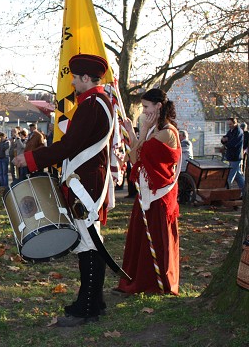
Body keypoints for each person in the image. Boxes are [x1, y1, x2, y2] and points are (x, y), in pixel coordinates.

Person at [13, 54, 114, 327]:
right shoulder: (98, 103)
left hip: (86, 184)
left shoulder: (92, 105)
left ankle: (88, 307)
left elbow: (69, 146)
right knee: (91, 243)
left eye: (74, 76)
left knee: (89, 244)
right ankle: (94, 301)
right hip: (88, 181)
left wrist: (30, 158)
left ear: (84, 78)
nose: (70, 81)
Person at [116, 88, 182, 296]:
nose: (143, 112)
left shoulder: (166, 133)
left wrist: (141, 133)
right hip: (148, 194)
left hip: (159, 196)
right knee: (140, 240)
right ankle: (140, 279)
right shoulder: (155, 131)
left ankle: (156, 282)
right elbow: (136, 156)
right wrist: (134, 132)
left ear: (158, 107)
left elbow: (137, 158)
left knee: (156, 240)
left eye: (145, 107)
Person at [221, 117, 245, 193]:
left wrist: (226, 142)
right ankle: (244, 192)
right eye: (228, 124)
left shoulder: (238, 131)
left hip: (235, 157)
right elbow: (225, 138)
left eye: (230, 124)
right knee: (238, 176)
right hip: (231, 156)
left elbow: (233, 144)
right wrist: (223, 140)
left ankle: (226, 193)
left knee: (229, 176)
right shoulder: (231, 131)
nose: (229, 126)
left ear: (235, 123)